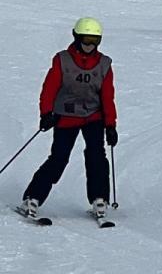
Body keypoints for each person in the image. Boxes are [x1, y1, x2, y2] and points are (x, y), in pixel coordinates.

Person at [21, 17, 118, 221]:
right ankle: (32, 198)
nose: (90, 45)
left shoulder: (104, 64)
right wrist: (46, 113)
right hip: (66, 117)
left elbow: (107, 97)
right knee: (59, 158)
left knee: (97, 157)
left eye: (94, 41)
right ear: (76, 38)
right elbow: (49, 88)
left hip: (93, 117)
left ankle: (99, 199)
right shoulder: (62, 60)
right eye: (86, 40)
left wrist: (110, 125)